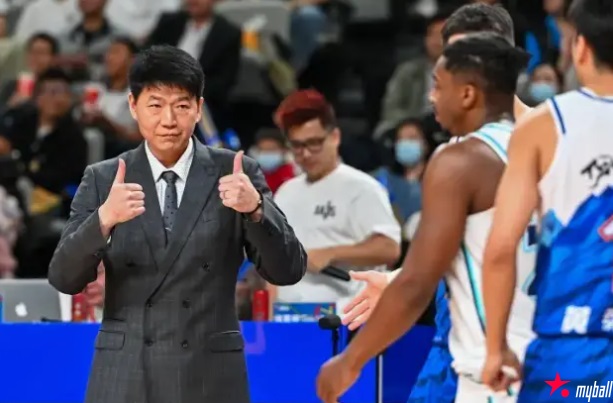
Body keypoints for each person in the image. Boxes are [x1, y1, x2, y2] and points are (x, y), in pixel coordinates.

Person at [47, 45, 307, 403]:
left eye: (181, 106)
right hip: (126, 374)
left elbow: (288, 270)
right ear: (133, 105)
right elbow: (63, 277)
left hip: (209, 374)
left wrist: (256, 209)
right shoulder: (104, 178)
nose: (168, 120)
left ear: (198, 108)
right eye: (155, 105)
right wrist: (103, 219)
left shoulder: (236, 172)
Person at [316, 32, 535, 403]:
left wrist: (351, 361)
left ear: (467, 94)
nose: (431, 97)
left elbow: (417, 285)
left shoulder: (459, 161)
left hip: (495, 374)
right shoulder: (547, 145)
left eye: (438, 86)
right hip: (556, 363)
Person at [481, 0, 613, 401]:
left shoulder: (544, 124)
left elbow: (500, 248)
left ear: (580, 47)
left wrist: (496, 348)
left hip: (573, 345)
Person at [271, 89, 401, 314]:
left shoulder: (361, 188)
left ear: (335, 137)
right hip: (289, 315)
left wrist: (331, 253)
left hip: (343, 315)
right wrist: (269, 316)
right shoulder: (285, 192)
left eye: (314, 143)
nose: (306, 154)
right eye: (297, 146)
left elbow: (389, 248)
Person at [250, 127, 297, 194]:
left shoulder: (293, 172)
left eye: (271, 149)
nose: (267, 154)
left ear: (283, 150)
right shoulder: (252, 175)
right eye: (263, 150)